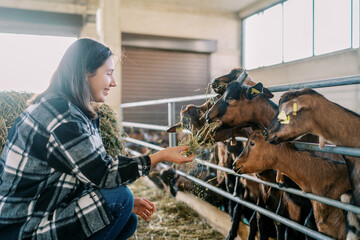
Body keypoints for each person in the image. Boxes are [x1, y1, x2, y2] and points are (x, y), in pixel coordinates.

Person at [0, 38, 193, 240]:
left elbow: (85, 173)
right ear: (84, 73)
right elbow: (102, 174)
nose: (114, 82)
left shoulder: (69, 109)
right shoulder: (63, 117)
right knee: (121, 199)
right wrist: (159, 157)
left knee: (127, 218)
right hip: (21, 226)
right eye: (108, 73)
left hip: (44, 208)